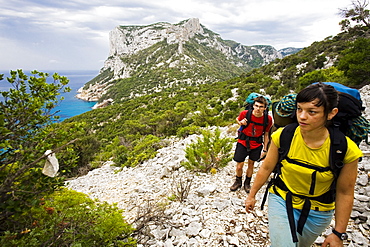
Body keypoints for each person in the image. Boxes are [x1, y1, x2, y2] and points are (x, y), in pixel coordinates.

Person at [245, 83, 363, 247]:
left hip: (318, 212)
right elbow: (266, 168)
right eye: (299, 109)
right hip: (281, 199)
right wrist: (252, 195)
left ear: (331, 114)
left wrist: (338, 232)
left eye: (311, 112)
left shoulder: (345, 150)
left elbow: (345, 192)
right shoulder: (284, 136)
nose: (302, 116)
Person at [230, 96, 273, 192]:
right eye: (256, 106)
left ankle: (247, 183)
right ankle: (238, 181)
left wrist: (265, 149)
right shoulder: (245, 114)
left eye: (261, 106)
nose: (258, 109)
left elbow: (266, 134)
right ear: (253, 106)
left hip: (256, 144)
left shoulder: (267, 119)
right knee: (239, 165)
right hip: (243, 142)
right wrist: (240, 122)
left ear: (265, 108)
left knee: (251, 164)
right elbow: (238, 119)